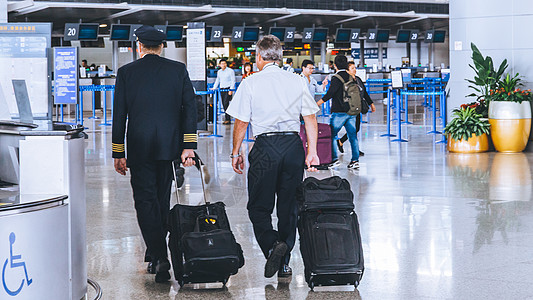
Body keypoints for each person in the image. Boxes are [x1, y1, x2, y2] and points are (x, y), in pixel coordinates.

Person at [227, 35, 320, 279]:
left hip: (265, 146)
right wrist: (312, 152)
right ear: (279, 56)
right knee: (288, 207)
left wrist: (236, 152)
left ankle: (271, 246)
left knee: (259, 206)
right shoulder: (297, 80)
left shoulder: (250, 82)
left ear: (259, 57)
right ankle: (285, 261)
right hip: (292, 145)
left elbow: (241, 121)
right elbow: (310, 117)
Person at [111, 25, 197, 283]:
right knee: (161, 199)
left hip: (139, 147)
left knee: (145, 201)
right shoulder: (177, 70)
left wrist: (118, 151)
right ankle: (156, 251)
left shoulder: (126, 72)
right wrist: (188, 145)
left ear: (139, 46)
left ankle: (159, 256)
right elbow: (190, 109)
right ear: (162, 46)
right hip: (169, 146)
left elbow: (119, 114)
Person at [316, 55, 360, 169]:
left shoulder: (336, 78)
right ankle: (355, 160)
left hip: (339, 112)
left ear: (335, 65)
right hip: (351, 111)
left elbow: (330, 94)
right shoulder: (351, 77)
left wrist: (316, 104)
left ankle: (334, 159)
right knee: (353, 136)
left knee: (332, 135)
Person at [336, 61, 376, 155]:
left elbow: (364, 93)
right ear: (347, 70)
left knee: (355, 129)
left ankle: (341, 141)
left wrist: (371, 104)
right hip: (348, 108)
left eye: (355, 68)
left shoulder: (358, 79)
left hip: (357, 108)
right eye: (352, 68)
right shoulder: (345, 81)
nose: (355, 70)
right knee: (352, 129)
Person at [211, 58, 236, 125]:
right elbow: (217, 80)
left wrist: (231, 90)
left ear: (226, 64)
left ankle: (228, 119)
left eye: (224, 63)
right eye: (222, 64)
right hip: (222, 89)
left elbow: (233, 80)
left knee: (225, 103)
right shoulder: (219, 72)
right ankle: (228, 118)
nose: (223, 65)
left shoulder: (230, 71)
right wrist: (214, 88)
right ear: (219, 65)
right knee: (224, 104)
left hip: (228, 89)